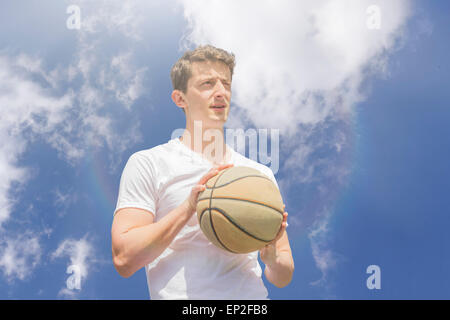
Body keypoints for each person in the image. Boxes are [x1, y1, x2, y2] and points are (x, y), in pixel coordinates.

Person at [111, 45, 294, 299]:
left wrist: (272, 259)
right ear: (180, 98)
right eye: (207, 84)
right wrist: (188, 208)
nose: (221, 92)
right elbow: (124, 258)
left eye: (226, 84)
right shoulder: (148, 162)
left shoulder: (258, 174)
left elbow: (283, 276)